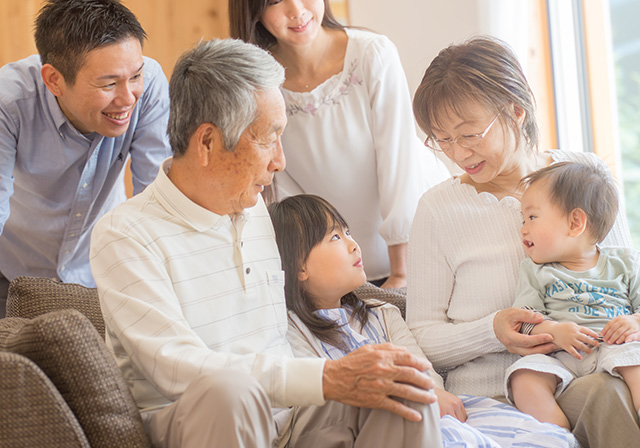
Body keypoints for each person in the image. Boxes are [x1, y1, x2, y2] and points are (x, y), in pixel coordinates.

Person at [90, 38, 443, 448]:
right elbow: (179, 370)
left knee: (400, 385)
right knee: (230, 391)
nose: (280, 161)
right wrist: (327, 376)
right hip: (199, 422)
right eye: (267, 139)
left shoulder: (256, 209)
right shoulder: (125, 236)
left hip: (291, 420)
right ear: (207, 143)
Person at [406, 34, 639, 448]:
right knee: (607, 396)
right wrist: (492, 330)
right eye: (441, 139)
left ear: (516, 110)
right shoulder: (438, 209)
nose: (457, 153)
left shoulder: (584, 174)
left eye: (469, 134)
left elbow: (626, 277)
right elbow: (421, 335)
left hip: (599, 362)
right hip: (498, 394)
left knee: (612, 388)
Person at [269, 193, 578, 447]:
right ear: (298, 267)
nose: (353, 244)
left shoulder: (382, 313)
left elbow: (421, 365)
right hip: (376, 427)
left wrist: (433, 391)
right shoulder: (292, 331)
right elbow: (311, 404)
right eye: (335, 237)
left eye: (348, 232)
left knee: (541, 437)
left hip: (429, 406)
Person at [229, 0, 450, 289]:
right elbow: (283, 188)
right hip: (345, 267)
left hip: (421, 246)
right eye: (274, 1)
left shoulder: (372, 53)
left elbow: (398, 161)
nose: (296, 10)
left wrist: (402, 273)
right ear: (251, 9)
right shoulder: (258, 85)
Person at [0, 0, 171, 317]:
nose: (126, 98)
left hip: (102, 275)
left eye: (135, 76)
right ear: (54, 80)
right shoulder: (9, 102)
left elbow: (157, 201)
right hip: (13, 274)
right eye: (108, 84)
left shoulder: (150, 87)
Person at [504, 161, 640, 429]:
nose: (523, 228)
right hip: (560, 354)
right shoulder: (534, 270)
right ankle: (560, 437)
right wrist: (554, 331)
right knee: (523, 379)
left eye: (531, 217)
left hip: (618, 346)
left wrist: (635, 322)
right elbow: (524, 320)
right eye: (523, 219)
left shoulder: (625, 262)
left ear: (575, 222)